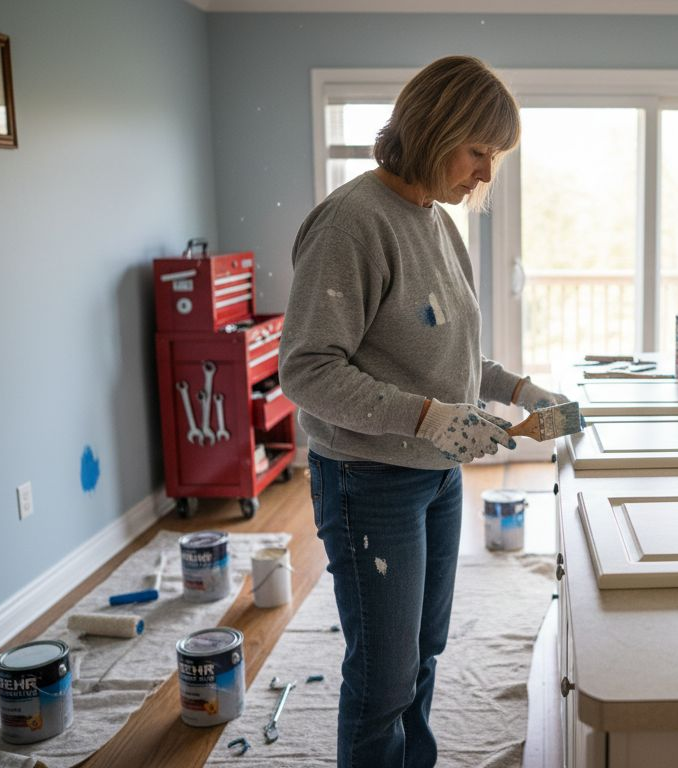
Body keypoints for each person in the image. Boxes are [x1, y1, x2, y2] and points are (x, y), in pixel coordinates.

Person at [278, 55, 568, 767]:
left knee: (423, 653)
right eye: (480, 152)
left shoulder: (437, 222)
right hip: (370, 484)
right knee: (383, 677)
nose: (486, 175)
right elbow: (307, 370)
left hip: (436, 478)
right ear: (438, 127)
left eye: (494, 158)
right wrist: (428, 418)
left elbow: (452, 359)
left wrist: (522, 390)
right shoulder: (351, 224)